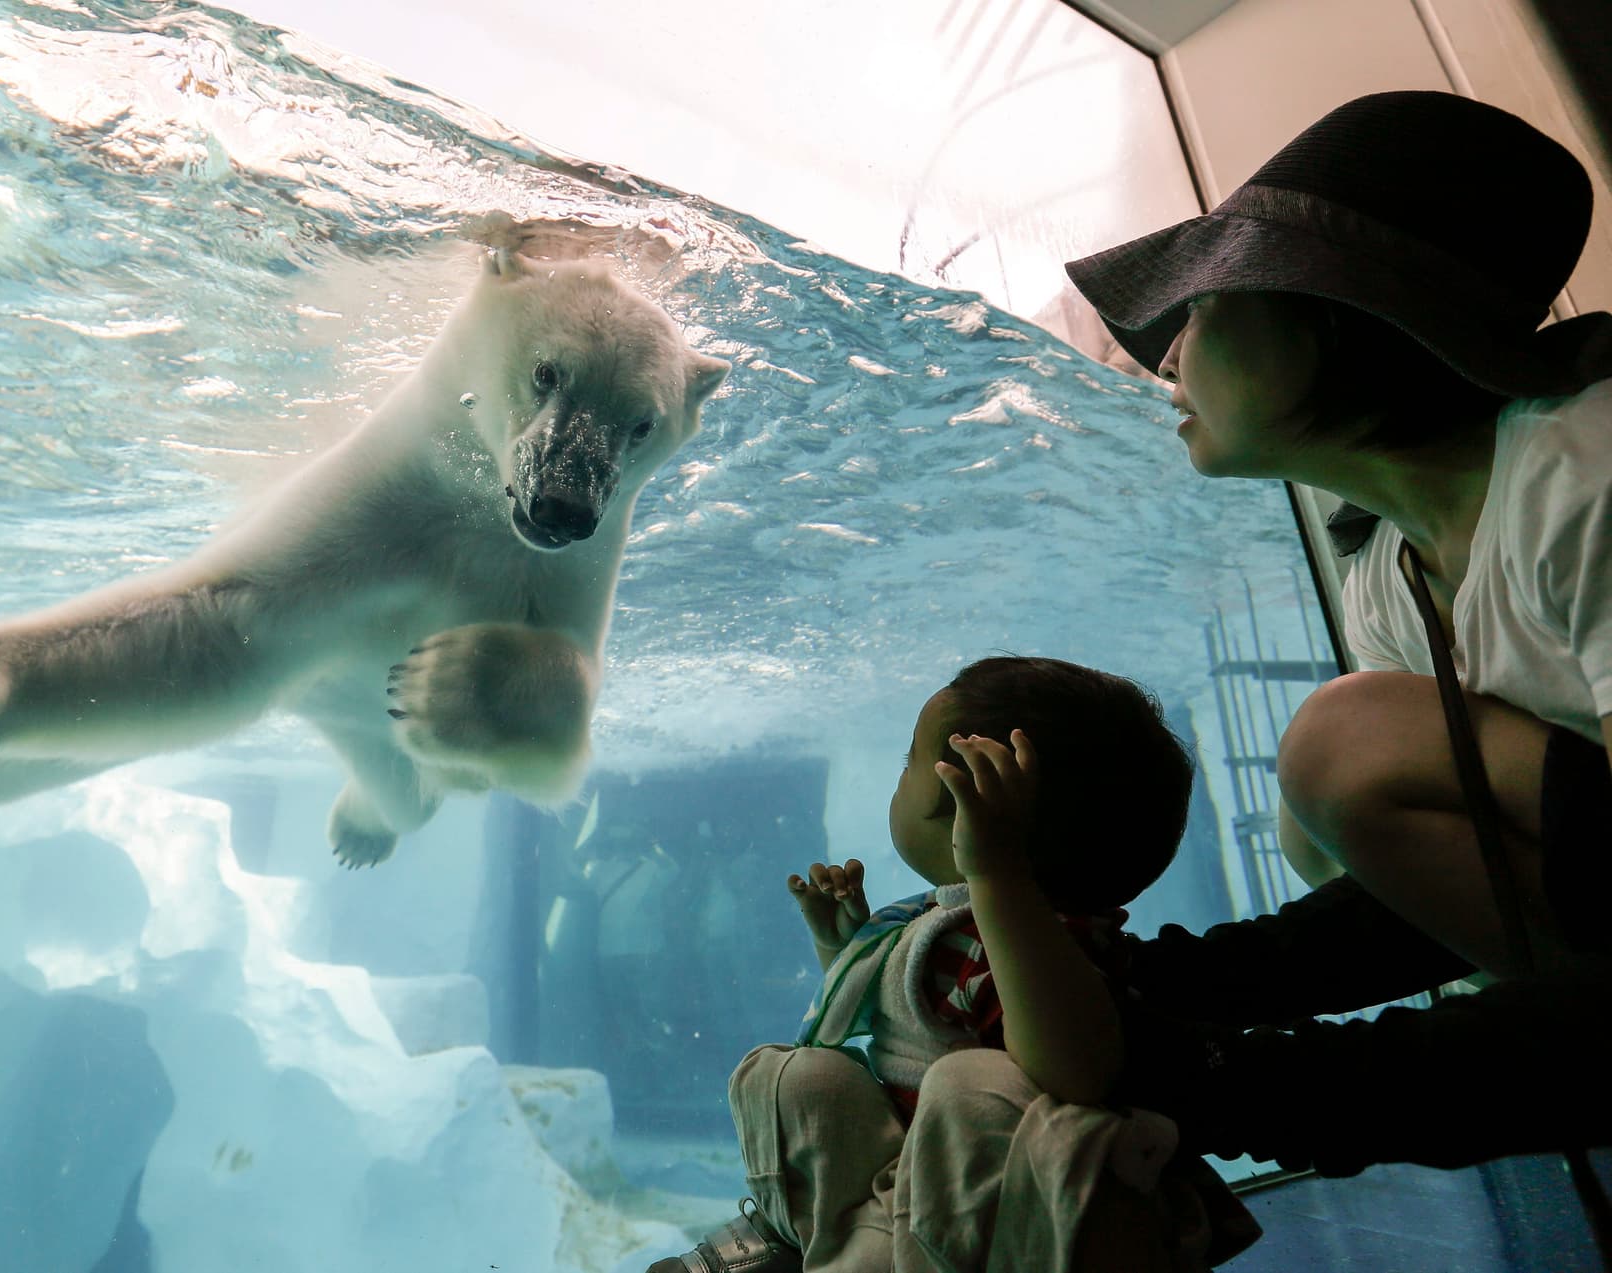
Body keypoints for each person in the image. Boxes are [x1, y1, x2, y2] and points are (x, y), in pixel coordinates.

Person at [1056, 89, 1612, 1177]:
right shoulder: (1389, 578)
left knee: (1344, 748)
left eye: (1207, 306)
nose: (1166, 355)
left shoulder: (1582, 477)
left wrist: (1245, 1089)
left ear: (1331, 314)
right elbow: (1464, 889)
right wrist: (1163, 990)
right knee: (1342, 780)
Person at [649, 657, 1259, 1273]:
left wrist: (997, 872)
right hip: (914, 1188)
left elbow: (1075, 1071)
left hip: (1007, 1224)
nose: (900, 781)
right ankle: (828, 1241)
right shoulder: (943, 920)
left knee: (969, 1088)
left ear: (962, 800)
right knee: (797, 1076)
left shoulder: (1042, 941)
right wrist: (848, 949)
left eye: (906, 765)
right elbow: (904, 1022)